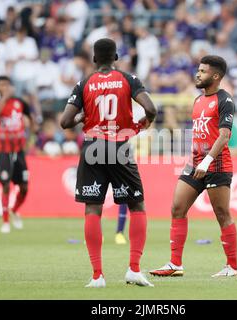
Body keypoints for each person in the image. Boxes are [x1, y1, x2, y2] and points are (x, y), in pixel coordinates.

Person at [60, 38, 157, 288]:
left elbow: (65, 121)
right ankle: (134, 269)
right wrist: (138, 126)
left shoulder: (84, 84)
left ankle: (97, 276)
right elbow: (151, 108)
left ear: (94, 59)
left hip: (93, 146)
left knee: (93, 209)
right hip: (119, 145)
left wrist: (83, 115)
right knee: (137, 205)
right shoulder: (129, 79)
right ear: (116, 57)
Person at [150, 55, 237, 278]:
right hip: (195, 163)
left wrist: (208, 160)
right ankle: (175, 264)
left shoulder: (225, 100)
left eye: (203, 71)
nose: (198, 74)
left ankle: (232, 267)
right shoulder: (198, 101)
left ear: (216, 76)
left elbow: (225, 135)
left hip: (217, 164)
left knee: (222, 214)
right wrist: (196, 159)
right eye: (198, 70)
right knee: (177, 207)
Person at [0, 76, 35, 234]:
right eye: (2, 85)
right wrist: (5, 98)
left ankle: (14, 209)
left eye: (7, 84)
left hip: (18, 149)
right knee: (6, 185)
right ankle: (5, 221)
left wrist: (30, 139)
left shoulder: (20, 103)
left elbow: (31, 118)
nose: (6, 87)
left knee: (24, 187)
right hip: (2, 149)